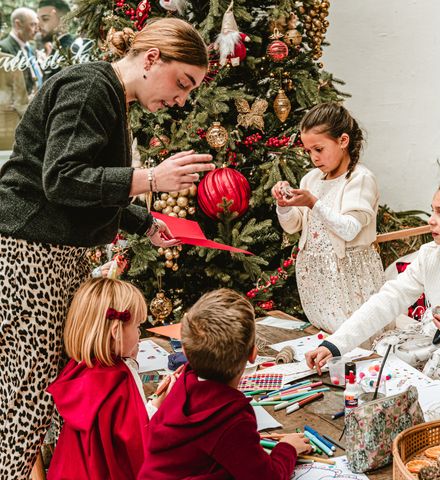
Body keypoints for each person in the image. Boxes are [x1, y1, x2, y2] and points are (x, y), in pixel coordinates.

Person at [0, 18, 214, 479]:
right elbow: (62, 179)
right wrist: (152, 179)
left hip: (53, 254)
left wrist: (146, 220)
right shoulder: (90, 87)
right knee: (29, 393)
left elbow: (89, 191)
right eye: (182, 83)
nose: (181, 99)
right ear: (153, 58)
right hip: (31, 255)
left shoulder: (111, 96)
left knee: (52, 384)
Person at [305, 177, 440, 387]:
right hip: (437, 341)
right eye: (432, 211)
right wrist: (335, 345)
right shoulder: (429, 256)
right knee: (387, 349)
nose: (431, 220)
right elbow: (388, 300)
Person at [138, 288, 311, 480]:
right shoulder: (232, 417)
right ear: (253, 354)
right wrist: (287, 448)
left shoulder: (182, 384)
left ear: (185, 352)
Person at [271, 102, 385, 334]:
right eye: (308, 151)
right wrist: (284, 206)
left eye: (319, 149)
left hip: (349, 277)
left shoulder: (359, 179)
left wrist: (313, 202)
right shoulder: (311, 180)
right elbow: (293, 226)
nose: (313, 157)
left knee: (355, 336)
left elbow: (349, 229)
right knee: (326, 336)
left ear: (343, 141)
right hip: (316, 276)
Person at [46, 278, 176, 479]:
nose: (139, 334)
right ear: (116, 332)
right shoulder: (119, 382)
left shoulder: (80, 368)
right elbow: (137, 446)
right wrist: (159, 404)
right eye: (137, 327)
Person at [0, 7, 42, 96]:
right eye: (33, 24)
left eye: (37, 25)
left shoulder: (30, 47)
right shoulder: (4, 48)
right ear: (18, 24)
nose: (37, 30)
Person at [37, 0, 81, 80]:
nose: (38, 26)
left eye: (45, 19)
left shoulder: (72, 49)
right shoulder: (57, 47)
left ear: (63, 21)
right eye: (38, 20)